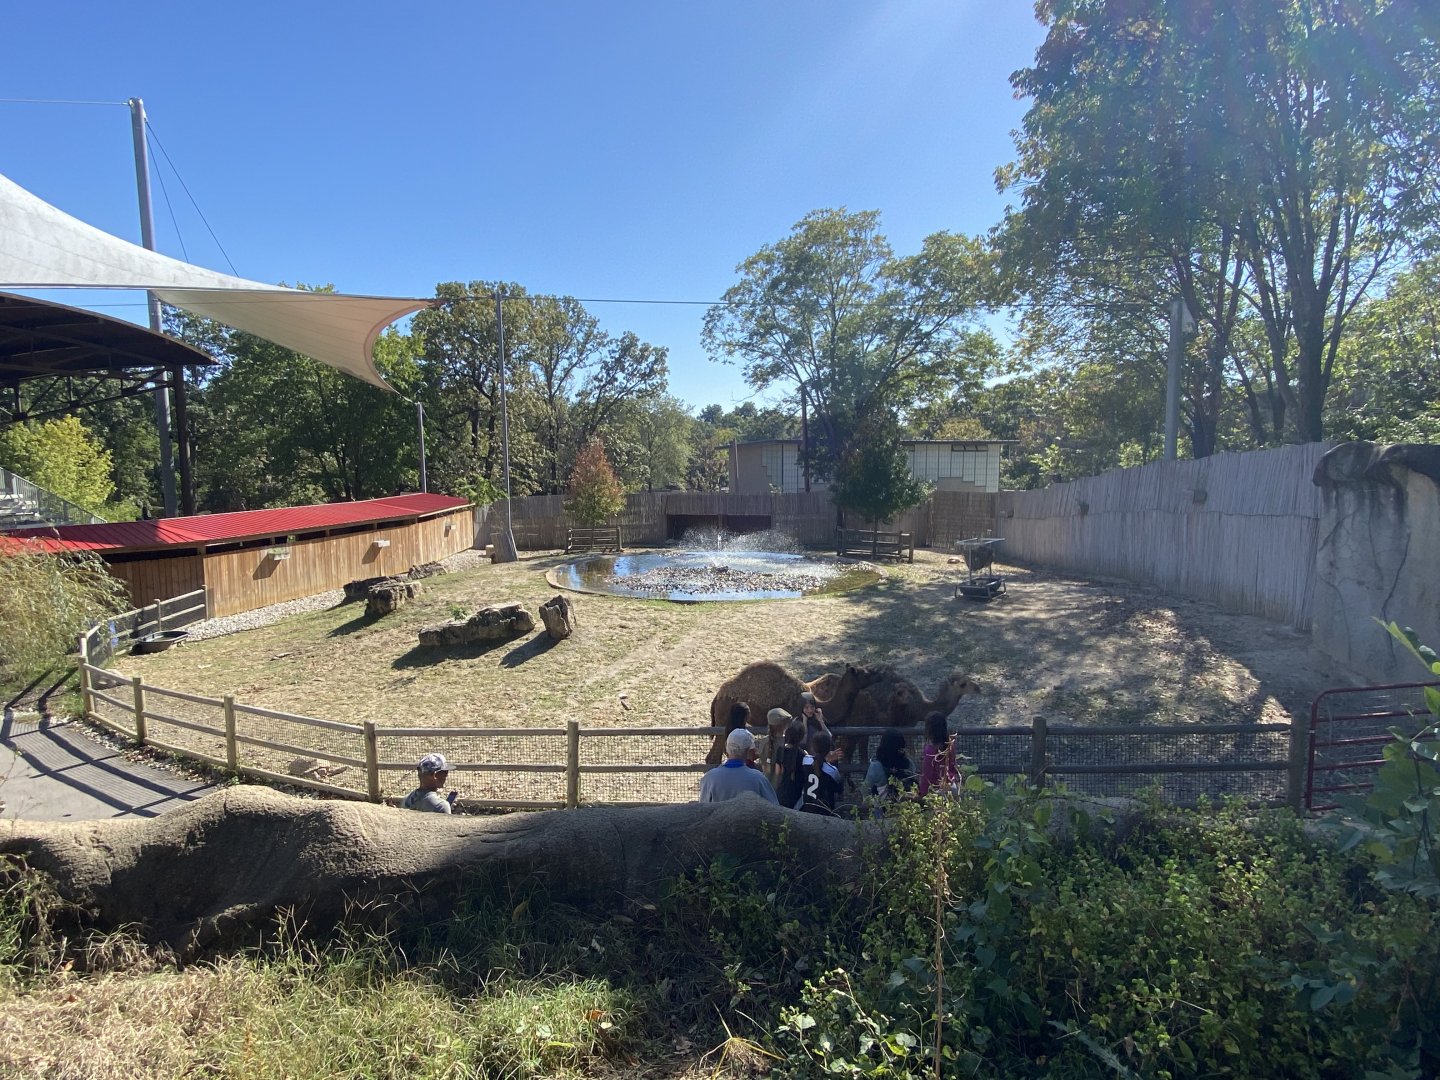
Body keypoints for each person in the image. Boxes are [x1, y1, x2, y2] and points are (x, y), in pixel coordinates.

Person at [699, 729, 779, 804]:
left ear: (727, 747)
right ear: (749, 751)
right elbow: (773, 807)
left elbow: (703, 810)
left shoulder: (709, 778)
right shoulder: (758, 778)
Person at [798, 730, 844, 815]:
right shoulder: (832, 771)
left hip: (805, 808)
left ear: (813, 746)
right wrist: (828, 761)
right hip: (825, 811)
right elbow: (839, 789)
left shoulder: (805, 761)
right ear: (829, 748)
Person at [865, 730, 917, 800]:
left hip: (881, 807)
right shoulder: (909, 764)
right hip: (904, 806)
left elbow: (865, 789)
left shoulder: (875, 766)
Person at [918, 711, 959, 798]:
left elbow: (927, 775)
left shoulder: (930, 751)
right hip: (951, 787)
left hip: (936, 792)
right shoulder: (949, 745)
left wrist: (922, 794)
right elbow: (953, 767)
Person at [772, 716, 808, 809]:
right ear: (801, 737)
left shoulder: (781, 750)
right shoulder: (803, 754)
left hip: (782, 791)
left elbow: (777, 772)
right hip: (797, 794)